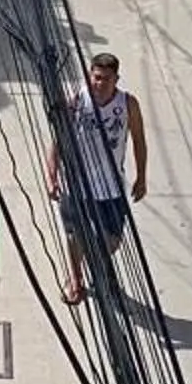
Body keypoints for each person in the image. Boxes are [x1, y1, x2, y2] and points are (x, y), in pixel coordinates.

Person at [49, 52, 146, 305]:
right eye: (95, 77)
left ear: (116, 79)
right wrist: (52, 176)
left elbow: (138, 140)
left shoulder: (128, 104)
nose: (99, 83)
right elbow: (58, 139)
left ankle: (97, 262)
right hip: (77, 186)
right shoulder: (78, 100)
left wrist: (141, 177)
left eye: (105, 79)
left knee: (113, 239)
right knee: (74, 235)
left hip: (111, 187)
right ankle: (75, 278)